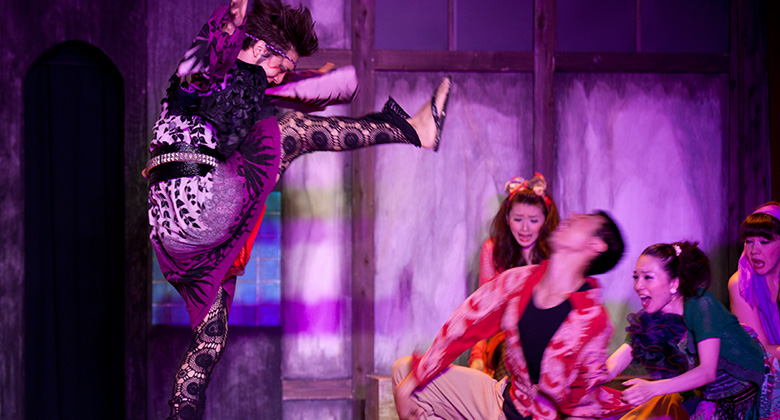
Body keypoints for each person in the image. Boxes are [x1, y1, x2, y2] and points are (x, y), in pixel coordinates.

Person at [146, 1, 453, 419]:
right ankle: (413, 130)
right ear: (258, 48)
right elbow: (227, 31)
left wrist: (314, 80)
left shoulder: (240, 83)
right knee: (290, 133)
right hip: (201, 203)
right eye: (280, 66)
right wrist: (238, 14)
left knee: (210, 336)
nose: (280, 75)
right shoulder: (212, 62)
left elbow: (318, 87)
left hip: (176, 237)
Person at [393, 211, 631, 420]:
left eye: (585, 219)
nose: (573, 215)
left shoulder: (593, 320)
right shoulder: (518, 281)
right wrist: (408, 386)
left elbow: (582, 406)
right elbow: (462, 327)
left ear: (597, 245)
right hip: (503, 401)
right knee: (406, 374)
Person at [605, 241, 766, 419]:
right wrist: (595, 377)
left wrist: (652, 389)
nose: (638, 286)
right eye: (636, 277)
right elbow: (620, 358)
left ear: (674, 283)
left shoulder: (702, 306)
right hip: (705, 392)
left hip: (743, 388)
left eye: (648, 277)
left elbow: (707, 372)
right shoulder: (649, 318)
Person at [469, 173, 559, 380]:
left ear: (545, 221)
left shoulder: (555, 255)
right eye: (518, 219)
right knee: (512, 353)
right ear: (507, 219)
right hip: (505, 338)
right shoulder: (493, 250)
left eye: (533, 220)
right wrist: (477, 355)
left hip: (547, 338)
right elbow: (483, 308)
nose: (525, 228)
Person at [728, 202, 780, 360]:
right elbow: (758, 349)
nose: (753, 251)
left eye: (764, 242)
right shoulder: (741, 283)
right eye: (748, 241)